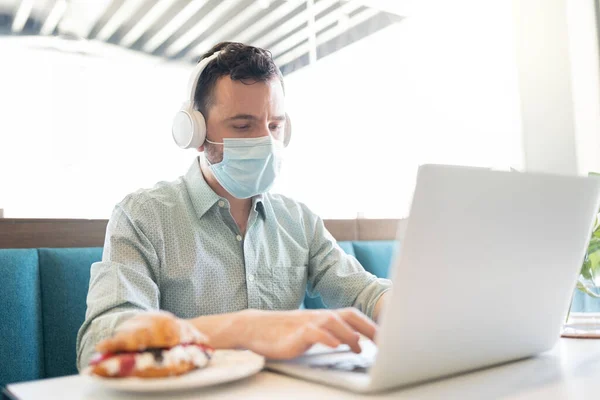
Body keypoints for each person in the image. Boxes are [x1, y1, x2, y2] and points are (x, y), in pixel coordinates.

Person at [76, 42, 392, 370]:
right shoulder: (143, 216)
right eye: (243, 126)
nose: (266, 143)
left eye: (274, 126)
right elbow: (100, 344)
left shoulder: (298, 220)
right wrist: (243, 328)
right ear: (195, 131)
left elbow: (364, 292)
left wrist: (410, 309)